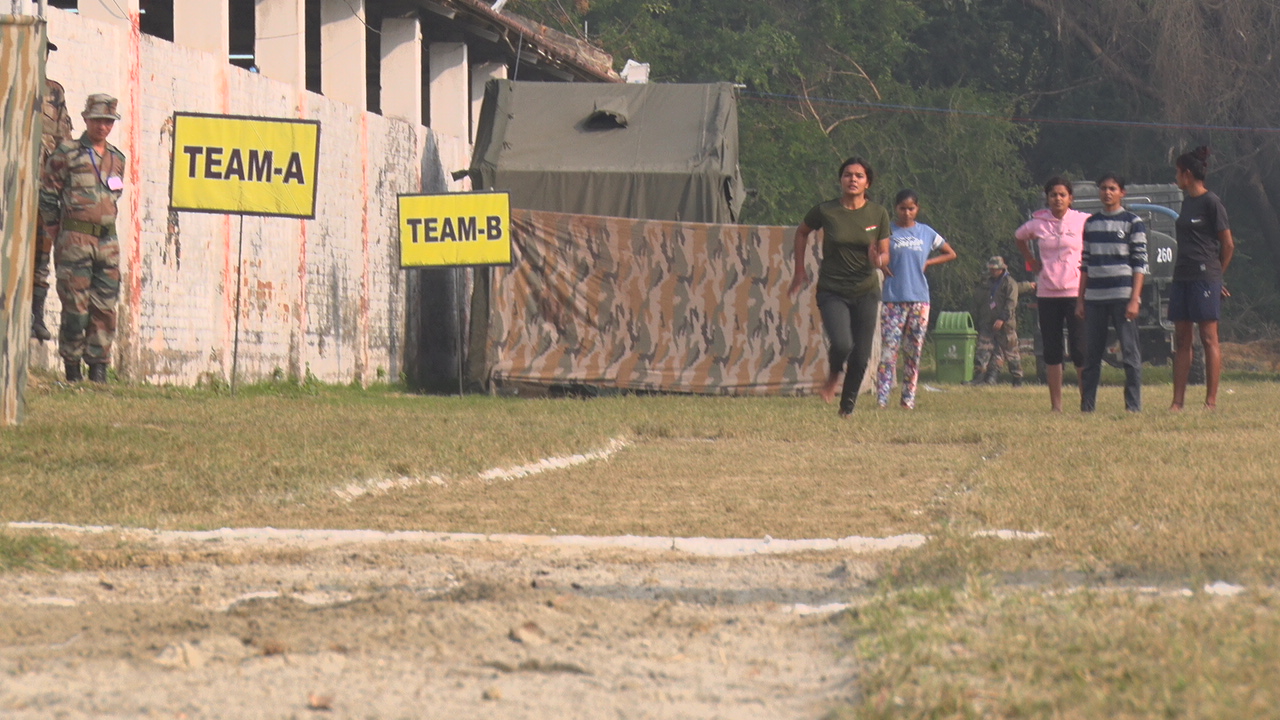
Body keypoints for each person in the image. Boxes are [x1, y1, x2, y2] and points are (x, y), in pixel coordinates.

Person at [788, 157, 892, 417]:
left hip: (866, 290)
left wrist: (877, 260)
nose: (853, 180)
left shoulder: (877, 213)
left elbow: (885, 254)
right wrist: (800, 270)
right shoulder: (826, 211)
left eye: (859, 176)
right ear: (840, 180)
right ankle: (833, 375)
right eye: (848, 175)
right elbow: (802, 232)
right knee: (843, 343)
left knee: (861, 356)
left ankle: (847, 407)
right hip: (833, 290)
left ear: (867, 182)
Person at [40, 93, 127, 384]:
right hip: (75, 240)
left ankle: (99, 369)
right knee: (75, 306)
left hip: (107, 242)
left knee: (104, 307)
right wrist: (55, 229)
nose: (102, 126)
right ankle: (72, 369)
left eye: (107, 121)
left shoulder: (117, 159)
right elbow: (49, 194)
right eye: (97, 120)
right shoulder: (68, 152)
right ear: (85, 119)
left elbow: (115, 196)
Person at [874, 189, 956, 408]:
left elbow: (950, 252)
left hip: (919, 299)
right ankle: (882, 397)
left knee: (913, 351)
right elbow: (872, 252)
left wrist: (929, 262)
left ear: (917, 209)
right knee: (889, 351)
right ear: (896, 209)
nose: (907, 213)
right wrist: (881, 263)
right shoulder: (887, 231)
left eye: (911, 208)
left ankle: (908, 398)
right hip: (893, 298)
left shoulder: (926, 232)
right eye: (903, 208)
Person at [1016, 176, 1089, 411]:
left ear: (1071, 199)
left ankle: (1086, 401)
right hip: (1047, 292)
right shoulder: (1038, 223)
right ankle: (1056, 405)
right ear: (1047, 198)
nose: (1057, 199)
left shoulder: (1082, 221)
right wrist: (1030, 260)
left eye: (1062, 195)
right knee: (1052, 349)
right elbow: (1019, 237)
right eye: (1053, 195)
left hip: (1075, 291)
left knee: (1079, 349)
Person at [1169, 146, 1233, 410]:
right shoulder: (1186, 201)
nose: (1176, 177)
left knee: (1209, 338)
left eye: (1177, 172)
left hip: (1205, 276)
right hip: (1182, 275)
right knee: (1183, 340)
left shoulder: (1211, 202)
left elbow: (1228, 245)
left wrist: (1217, 275)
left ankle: (1210, 401)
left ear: (1186, 174)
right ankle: (1177, 401)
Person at [1077, 174, 1148, 412]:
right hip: (1095, 297)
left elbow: (1140, 264)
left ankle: (1133, 406)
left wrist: (1135, 298)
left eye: (1112, 189)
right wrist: (1081, 299)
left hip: (1122, 295)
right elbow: (1085, 264)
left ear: (1122, 193)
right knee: (1092, 356)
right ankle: (1087, 407)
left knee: (1129, 352)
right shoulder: (1091, 223)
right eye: (1103, 188)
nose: (1107, 192)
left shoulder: (1133, 222)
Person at [31, 39, 74, 341]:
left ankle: (36, 315)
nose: (42, 56)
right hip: (11, 185)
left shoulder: (54, 92)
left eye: (45, 52)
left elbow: (64, 142)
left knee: (41, 252)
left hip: (44, 187)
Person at [971, 256, 1023, 385]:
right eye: (991, 269)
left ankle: (1017, 379)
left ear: (1001, 269)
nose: (992, 271)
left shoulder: (1009, 283)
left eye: (995, 269)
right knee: (983, 350)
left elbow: (1011, 303)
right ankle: (980, 377)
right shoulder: (987, 282)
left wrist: (1002, 319)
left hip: (1006, 325)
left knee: (1011, 353)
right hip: (988, 322)